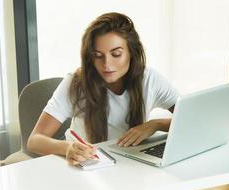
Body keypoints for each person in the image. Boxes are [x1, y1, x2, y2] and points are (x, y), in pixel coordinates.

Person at [27, 12, 179, 166]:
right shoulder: (76, 83)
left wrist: (156, 124)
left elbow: (192, 118)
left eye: (116, 54)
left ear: (131, 53)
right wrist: (68, 148)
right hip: (88, 164)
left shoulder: (149, 78)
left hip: (130, 163)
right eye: (98, 55)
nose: (106, 64)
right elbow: (35, 140)